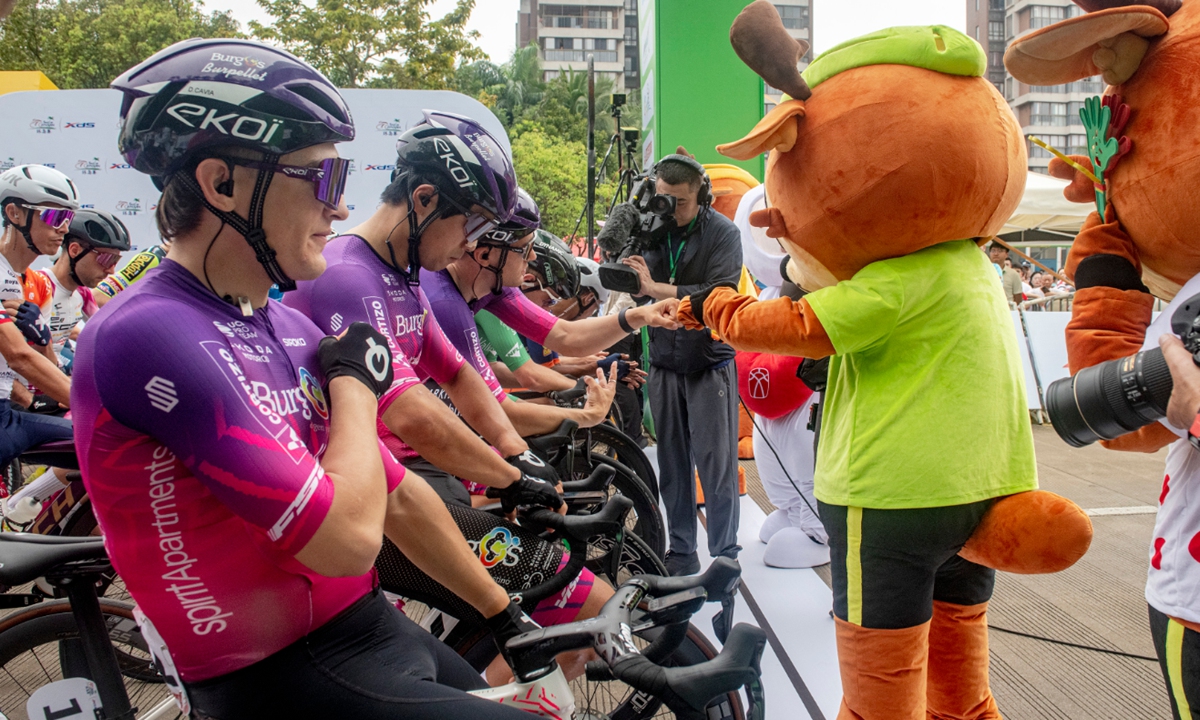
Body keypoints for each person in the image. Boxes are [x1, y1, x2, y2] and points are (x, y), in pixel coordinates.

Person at [75, 39, 538, 719]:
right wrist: (353, 388)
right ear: (222, 184)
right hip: (272, 674)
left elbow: (399, 495)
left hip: (365, 629)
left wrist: (503, 614)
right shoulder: (146, 333)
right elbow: (346, 541)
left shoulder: (286, 325)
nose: (340, 208)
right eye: (323, 179)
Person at [420, 187, 677, 451]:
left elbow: (566, 336)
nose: (532, 258)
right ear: (485, 255)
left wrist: (640, 315)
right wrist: (587, 412)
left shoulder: (493, 286)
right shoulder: (444, 305)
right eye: (525, 249)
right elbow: (498, 412)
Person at [620, 152, 743, 575]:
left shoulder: (724, 233)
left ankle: (725, 555)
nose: (670, 209)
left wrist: (655, 287)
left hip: (708, 363)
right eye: (663, 199)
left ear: (703, 197)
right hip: (664, 363)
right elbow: (639, 293)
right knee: (672, 465)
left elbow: (718, 294)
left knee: (716, 466)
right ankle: (683, 551)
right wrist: (632, 271)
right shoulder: (653, 229)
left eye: (681, 202)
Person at [0, 164, 76, 489]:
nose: (63, 228)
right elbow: (19, 357)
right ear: (14, 213)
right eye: (54, 216)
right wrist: (95, 407)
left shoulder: (21, 283)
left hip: (7, 415)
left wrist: (43, 339)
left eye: (68, 218)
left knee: (111, 447)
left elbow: (43, 365)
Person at [41, 210, 130, 369]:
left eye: (116, 260)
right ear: (74, 250)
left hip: (52, 372)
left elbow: (107, 333)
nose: (111, 270)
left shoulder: (82, 293)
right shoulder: (38, 285)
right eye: (106, 259)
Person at [988, 242, 1023, 307]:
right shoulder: (984, 271)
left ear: (1006, 254)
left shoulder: (1013, 274)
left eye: (1000, 251)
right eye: (993, 251)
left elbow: (1018, 297)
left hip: (1008, 309)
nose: (996, 254)